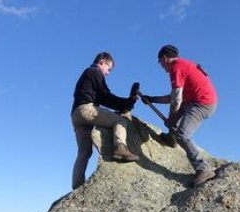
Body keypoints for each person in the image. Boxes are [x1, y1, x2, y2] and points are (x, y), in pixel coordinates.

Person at [141, 44, 218, 187]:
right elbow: (174, 97)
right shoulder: (184, 65)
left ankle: (203, 168)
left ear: (164, 58)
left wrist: (171, 118)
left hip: (202, 104)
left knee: (183, 134)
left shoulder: (176, 67)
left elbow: (176, 99)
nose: (161, 67)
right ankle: (171, 138)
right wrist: (152, 99)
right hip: (194, 101)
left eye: (160, 63)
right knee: (175, 125)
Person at [70, 51, 139, 189]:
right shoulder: (95, 72)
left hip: (76, 115)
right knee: (120, 121)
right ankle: (120, 148)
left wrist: (124, 104)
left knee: (84, 152)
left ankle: (77, 186)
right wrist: (126, 103)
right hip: (86, 109)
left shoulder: (88, 75)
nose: (108, 73)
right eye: (109, 68)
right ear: (101, 62)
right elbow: (106, 96)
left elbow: (103, 98)